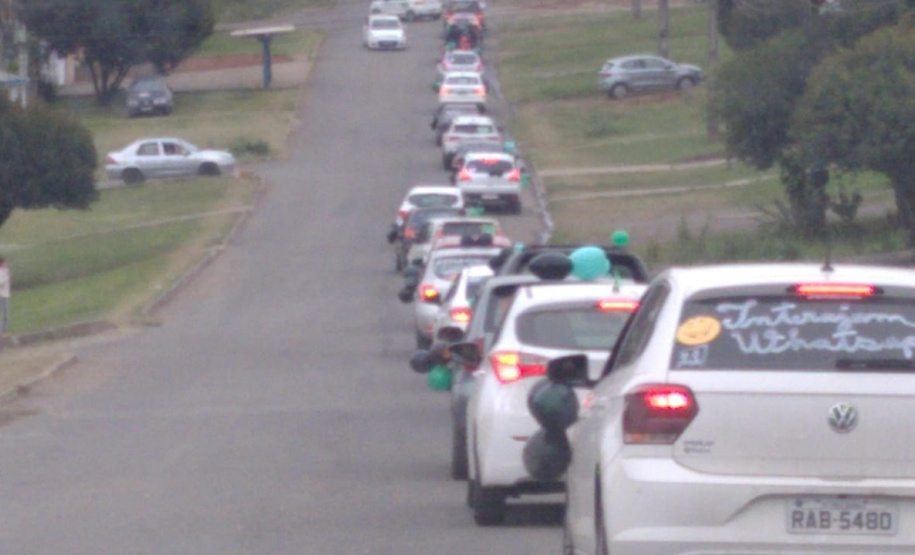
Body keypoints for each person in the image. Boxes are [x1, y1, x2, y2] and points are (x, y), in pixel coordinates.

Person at [0, 257, 9, 337]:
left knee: (5, 314)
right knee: (4, 314)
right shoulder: (1, 272)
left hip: (5, 294)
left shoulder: (5, 271)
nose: (6, 264)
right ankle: (2, 332)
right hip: (2, 295)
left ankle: (3, 331)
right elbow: (1, 283)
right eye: (5, 262)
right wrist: (6, 277)